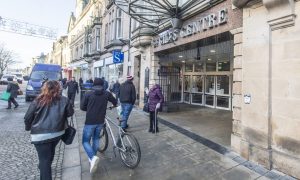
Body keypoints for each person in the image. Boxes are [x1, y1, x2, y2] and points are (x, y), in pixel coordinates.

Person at [24, 80, 74, 180]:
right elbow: (70, 113)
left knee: (44, 160)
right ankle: (44, 165)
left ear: (44, 88)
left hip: (40, 135)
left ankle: (44, 167)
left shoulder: (38, 100)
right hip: (58, 132)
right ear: (58, 88)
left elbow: (27, 117)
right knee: (50, 151)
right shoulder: (64, 100)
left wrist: (28, 128)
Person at [80, 78, 117, 173]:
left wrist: (89, 108)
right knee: (96, 139)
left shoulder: (88, 93)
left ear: (93, 85)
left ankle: (92, 157)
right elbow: (115, 102)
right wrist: (112, 106)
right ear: (102, 84)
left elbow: (82, 107)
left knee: (85, 141)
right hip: (100, 121)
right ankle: (92, 158)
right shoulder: (106, 93)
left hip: (90, 121)